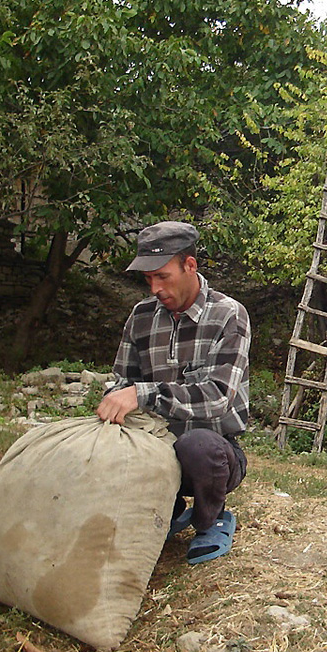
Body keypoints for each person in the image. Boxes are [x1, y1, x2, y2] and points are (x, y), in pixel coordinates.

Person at [97, 221, 251, 564]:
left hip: (213, 454)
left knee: (198, 445)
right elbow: (123, 382)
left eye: (162, 276)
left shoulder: (229, 315)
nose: (154, 288)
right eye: (148, 279)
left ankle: (211, 518)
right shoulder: (140, 317)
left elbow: (217, 397)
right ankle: (168, 508)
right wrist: (118, 399)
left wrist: (143, 394)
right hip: (153, 450)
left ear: (190, 266)